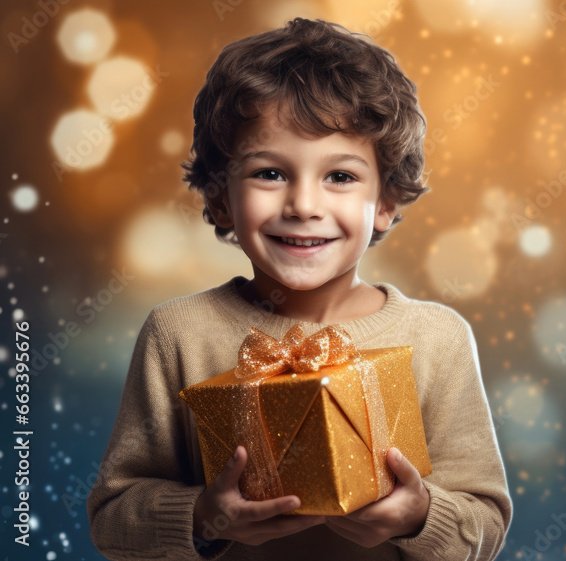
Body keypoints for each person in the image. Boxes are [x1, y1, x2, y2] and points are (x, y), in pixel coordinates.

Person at [87, 17, 512, 561]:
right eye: (269, 173)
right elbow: (112, 519)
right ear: (219, 198)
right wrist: (203, 516)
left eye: (340, 177)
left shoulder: (438, 338)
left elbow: (486, 525)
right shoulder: (179, 332)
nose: (303, 206)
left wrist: (420, 516)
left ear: (385, 204)